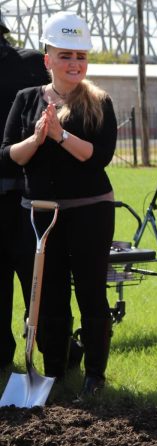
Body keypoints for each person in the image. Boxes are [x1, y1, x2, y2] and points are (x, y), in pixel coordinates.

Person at [0, 11, 118, 397]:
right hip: (40, 214)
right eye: (65, 56)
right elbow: (7, 155)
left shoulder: (99, 102)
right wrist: (36, 140)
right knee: (47, 295)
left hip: (89, 210)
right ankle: (53, 371)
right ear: (47, 59)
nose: (74, 64)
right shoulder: (26, 99)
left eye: (80, 56)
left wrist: (60, 134)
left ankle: (95, 375)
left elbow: (98, 156)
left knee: (90, 291)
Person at [0, 12, 49, 369]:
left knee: (40, 284)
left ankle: (54, 358)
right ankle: (5, 362)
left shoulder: (30, 64)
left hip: (28, 194)